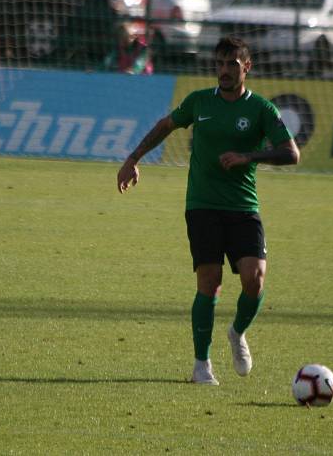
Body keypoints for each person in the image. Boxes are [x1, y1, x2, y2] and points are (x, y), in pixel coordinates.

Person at [117, 36, 299, 385]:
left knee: (254, 279)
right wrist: (133, 158)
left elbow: (291, 153)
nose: (224, 70)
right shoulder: (199, 101)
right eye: (219, 63)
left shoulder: (261, 109)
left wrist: (248, 156)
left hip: (244, 206)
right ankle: (202, 364)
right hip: (202, 205)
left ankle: (237, 332)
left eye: (232, 64)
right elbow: (165, 126)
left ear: (247, 67)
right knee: (209, 282)